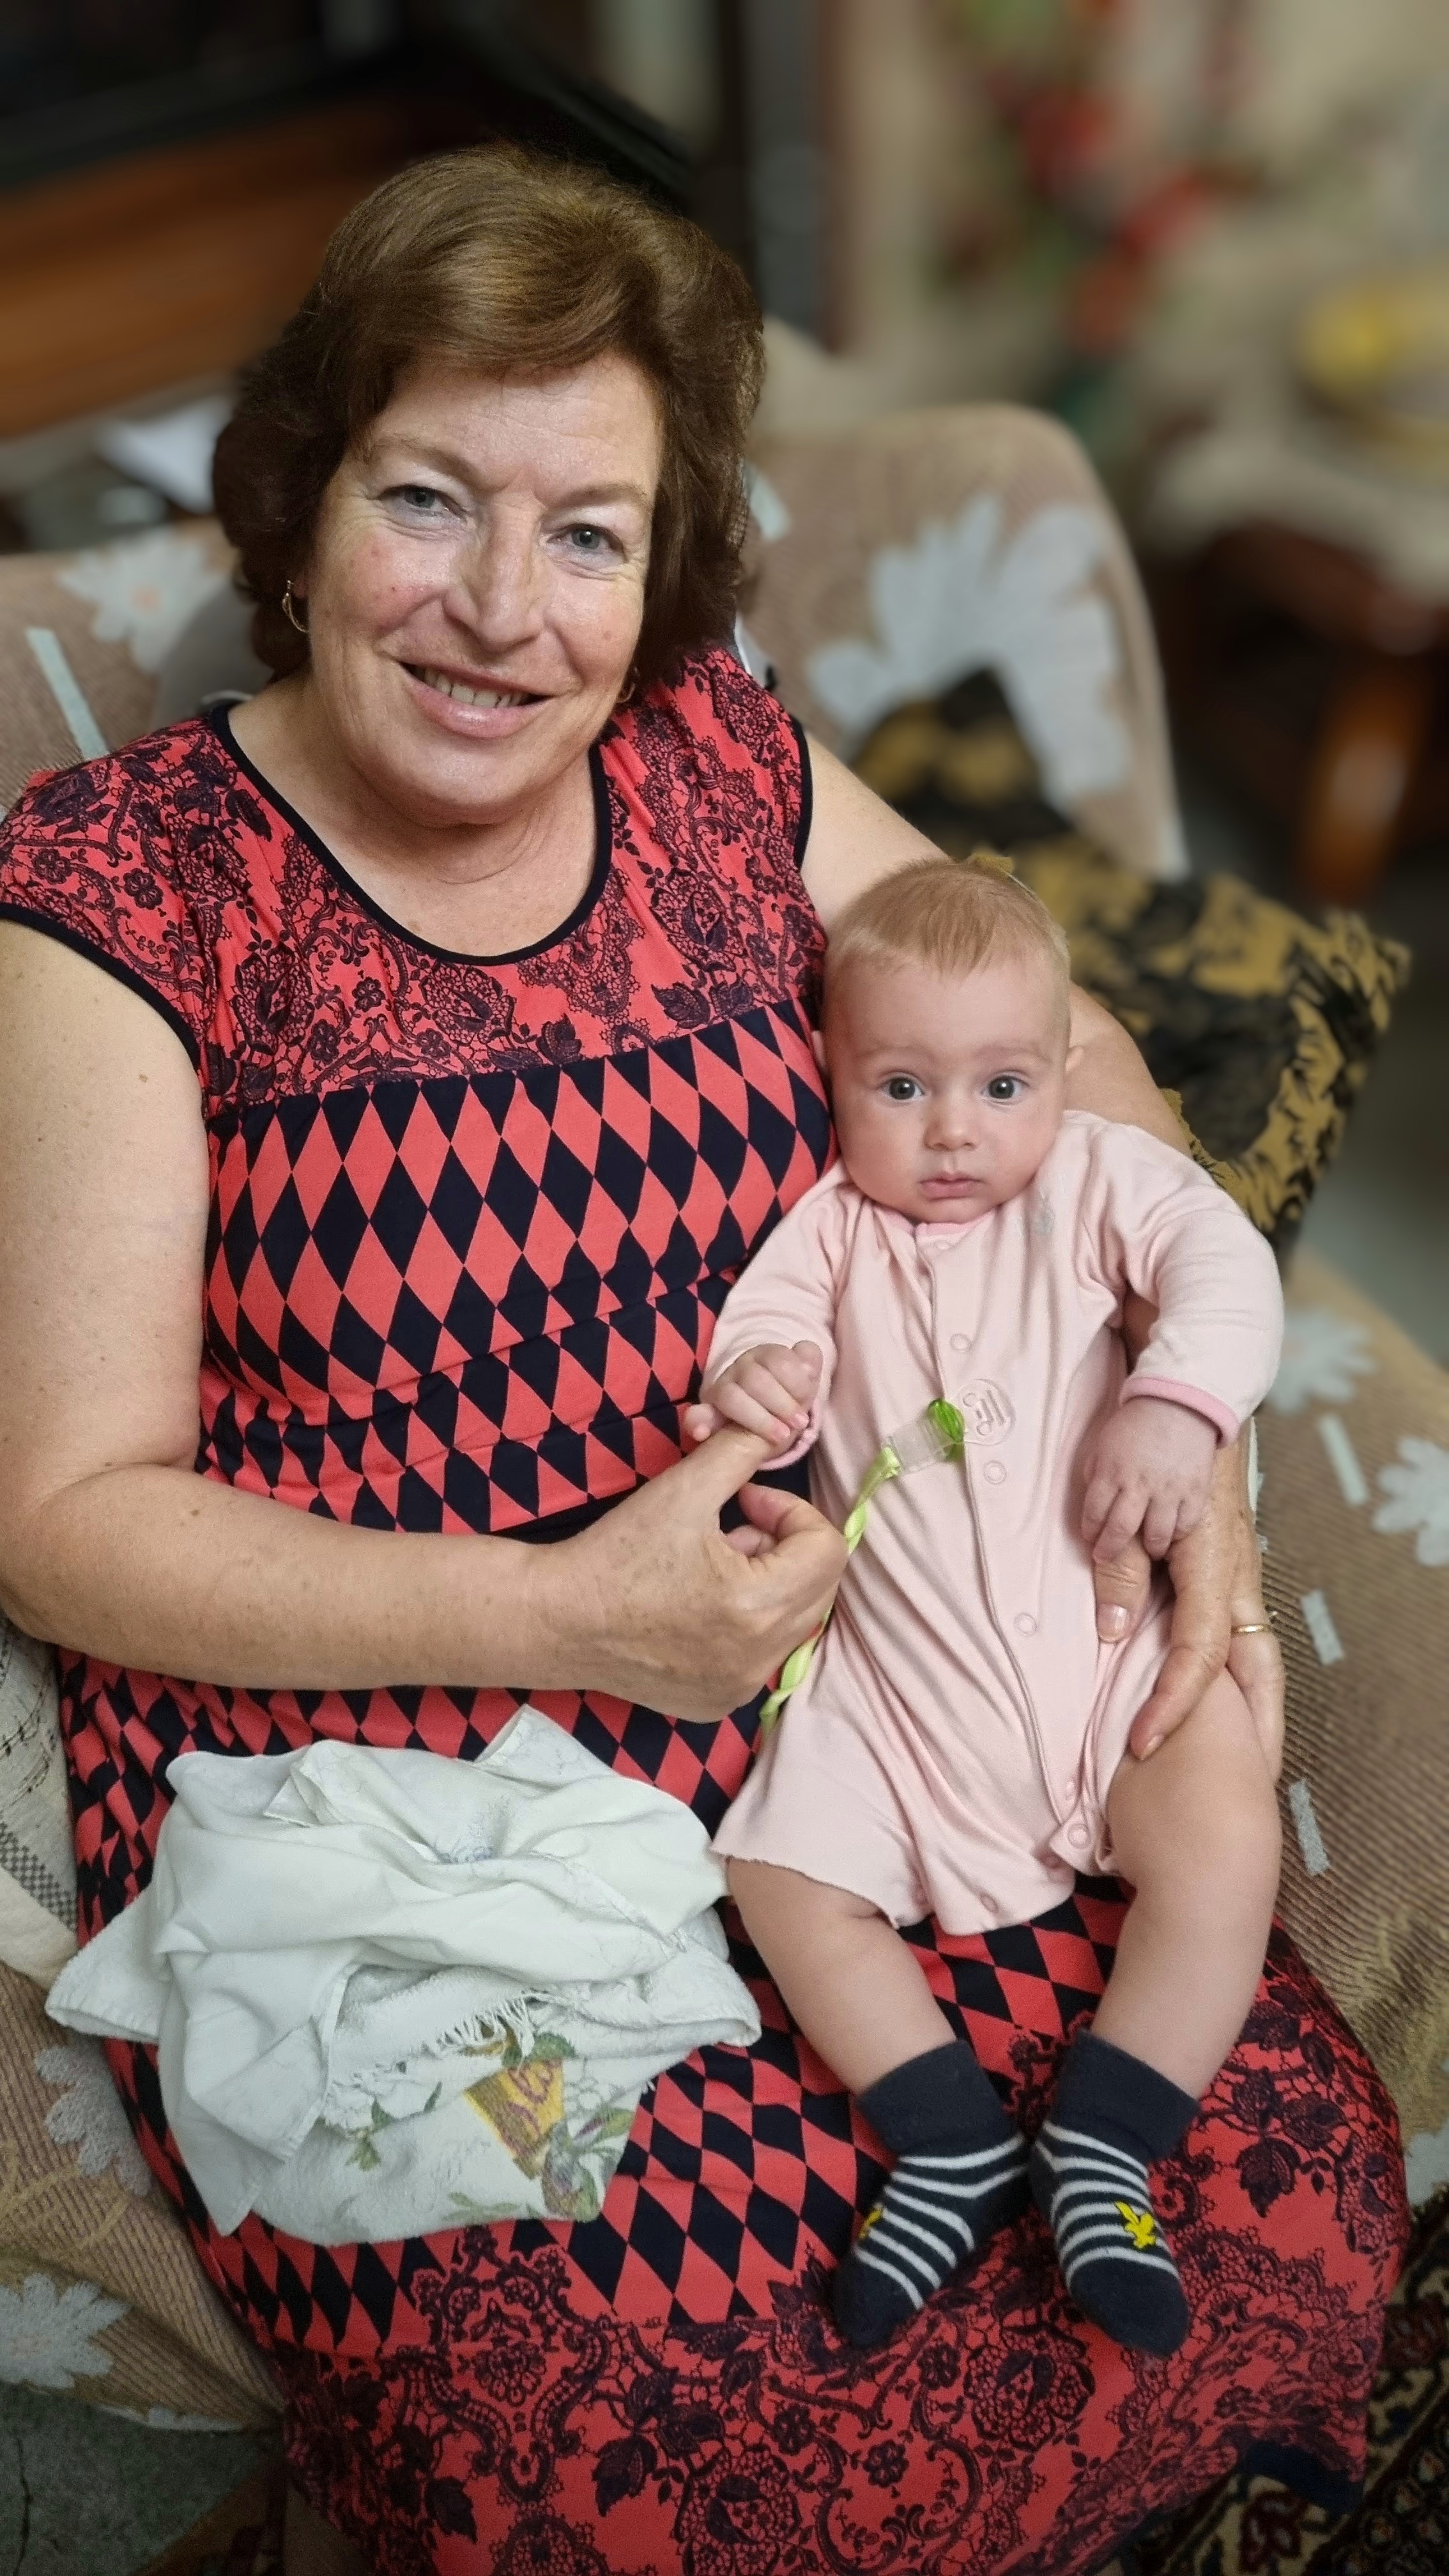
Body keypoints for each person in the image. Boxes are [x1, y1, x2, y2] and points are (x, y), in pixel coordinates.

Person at [0, 141, 1332, 2576]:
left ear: (665, 568)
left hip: (873, 1694)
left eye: (588, 533)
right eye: (428, 499)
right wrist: (568, 1616)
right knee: (625, 2451)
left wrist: (1192, 1437)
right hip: (422, 1797)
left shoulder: (716, 756)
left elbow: (1060, 1051)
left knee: (1223, 2197)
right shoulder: (123, 888)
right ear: (301, 506)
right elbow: (65, 1519)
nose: (504, 611)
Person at [691, 857, 1284, 2355]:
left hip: (1110, 1668)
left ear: (1063, 1071)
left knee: (1228, 1837)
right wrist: (758, 1380)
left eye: (1003, 1085)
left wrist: (1179, 1406)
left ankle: (1107, 2137)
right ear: (830, 1074)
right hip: (900, 1704)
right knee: (775, 1869)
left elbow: (1225, 1265)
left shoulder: (1092, 1182)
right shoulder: (830, 1231)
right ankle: (945, 2136)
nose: (954, 1130)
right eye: (901, 1087)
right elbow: (756, 1334)